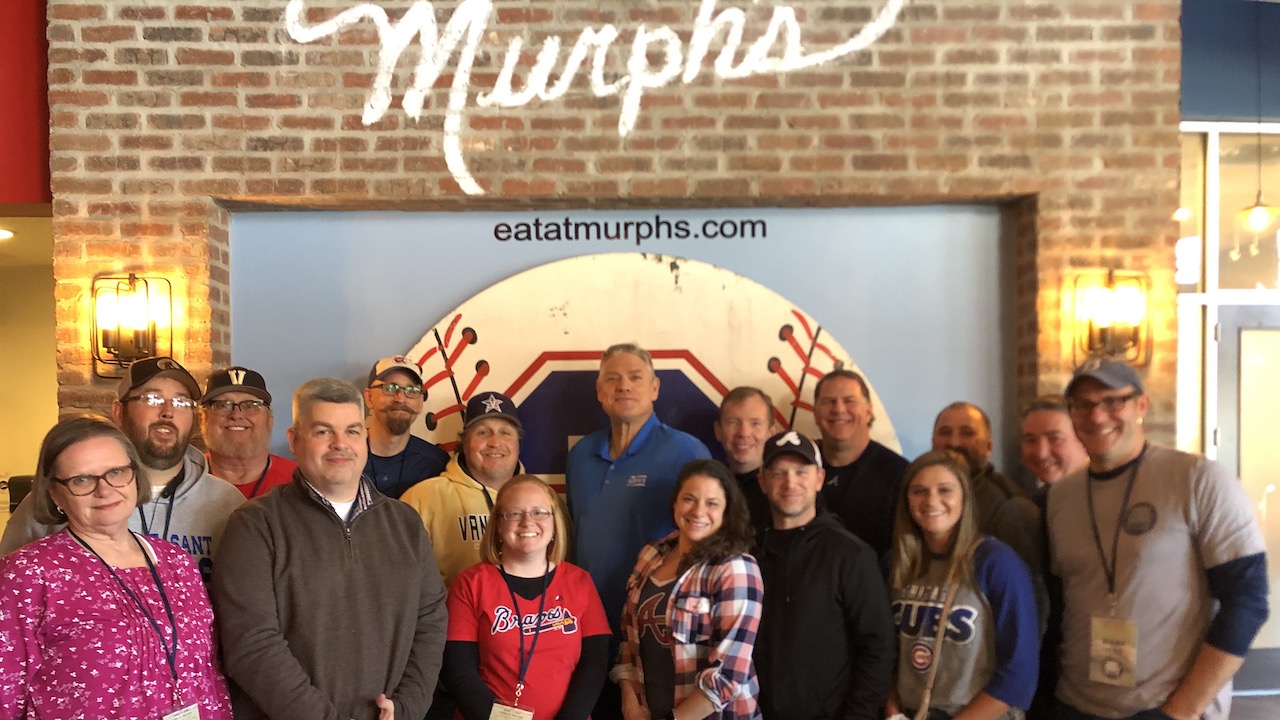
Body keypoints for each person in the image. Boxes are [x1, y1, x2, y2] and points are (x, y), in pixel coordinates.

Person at [212, 377, 448, 720]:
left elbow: (430, 619)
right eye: (323, 431)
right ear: (294, 440)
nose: (341, 444)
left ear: (365, 437)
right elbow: (252, 644)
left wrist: (408, 707)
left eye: (352, 431)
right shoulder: (254, 525)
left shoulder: (405, 524)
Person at [1047, 360, 1268, 720]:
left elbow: (1247, 602)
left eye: (1113, 401)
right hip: (1076, 704)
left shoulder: (1199, 479)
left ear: (1142, 406)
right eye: (1083, 405)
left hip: (1166, 708)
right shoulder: (1061, 496)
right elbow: (1064, 601)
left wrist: (1180, 710)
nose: (1097, 416)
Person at [0, 415, 232, 719]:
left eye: (117, 472)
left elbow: (208, 672)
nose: (105, 489)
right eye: (81, 479)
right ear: (55, 493)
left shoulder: (177, 561)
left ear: (134, 476)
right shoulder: (28, 573)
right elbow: (6, 692)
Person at [1, 357, 244, 585]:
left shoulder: (227, 501)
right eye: (152, 399)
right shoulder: (65, 496)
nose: (168, 411)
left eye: (181, 402)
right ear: (118, 412)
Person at [564, 344, 711, 707]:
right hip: (587, 629)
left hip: (658, 633)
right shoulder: (581, 455)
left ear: (655, 388)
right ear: (600, 393)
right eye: (612, 379)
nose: (623, 386)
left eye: (635, 377)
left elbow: (711, 549)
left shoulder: (686, 453)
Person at [886, 450, 1039, 720]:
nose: (931, 500)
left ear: (964, 498)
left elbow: (1019, 672)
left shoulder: (995, 563)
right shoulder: (896, 564)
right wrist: (893, 712)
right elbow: (883, 652)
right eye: (919, 491)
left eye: (945, 490)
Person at [753, 431, 896, 720]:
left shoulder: (850, 554)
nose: (790, 482)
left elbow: (879, 647)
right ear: (763, 482)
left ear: (819, 479)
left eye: (801, 472)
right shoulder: (747, 555)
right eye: (779, 472)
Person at [443, 475, 611, 720]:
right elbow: (457, 671)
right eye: (514, 514)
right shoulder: (470, 584)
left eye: (539, 512)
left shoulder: (580, 582)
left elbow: (594, 665)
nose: (527, 522)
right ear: (498, 525)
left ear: (555, 523)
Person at [613, 459, 763, 720]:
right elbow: (628, 641)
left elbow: (727, 675)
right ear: (675, 503)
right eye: (689, 499)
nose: (698, 511)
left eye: (712, 503)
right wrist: (632, 705)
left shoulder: (735, 569)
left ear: (727, 512)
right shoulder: (650, 555)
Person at [402, 390, 526, 587]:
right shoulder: (422, 498)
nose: (495, 442)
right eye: (483, 432)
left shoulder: (542, 500)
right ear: (465, 443)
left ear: (518, 444)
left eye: (505, 433)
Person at [932, 401, 1045, 615]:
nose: (954, 442)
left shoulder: (1011, 507)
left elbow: (1027, 602)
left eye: (967, 433)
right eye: (945, 432)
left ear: (989, 447)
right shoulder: (919, 497)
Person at [811, 369, 908, 558]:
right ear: (815, 413)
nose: (839, 409)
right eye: (829, 401)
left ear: (868, 412)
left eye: (849, 400)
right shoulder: (799, 468)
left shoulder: (899, 474)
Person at [201, 365, 297, 499]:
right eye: (222, 405)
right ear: (203, 419)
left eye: (250, 405)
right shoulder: (183, 478)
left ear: (270, 419)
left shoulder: (300, 481)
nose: (236, 415)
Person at [364, 355, 449, 498]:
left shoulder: (436, 465)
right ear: (369, 397)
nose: (400, 399)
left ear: (421, 402)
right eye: (389, 388)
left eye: (412, 391)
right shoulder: (344, 456)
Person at [713, 386, 776, 535]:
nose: (744, 433)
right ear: (718, 431)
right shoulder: (710, 486)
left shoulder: (782, 489)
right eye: (733, 422)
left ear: (771, 433)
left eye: (755, 423)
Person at [1019, 395, 1087, 495]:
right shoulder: (1039, 502)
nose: (1041, 454)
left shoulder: (1109, 500)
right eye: (1031, 440)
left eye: (1054, 439)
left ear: (1084, 440)